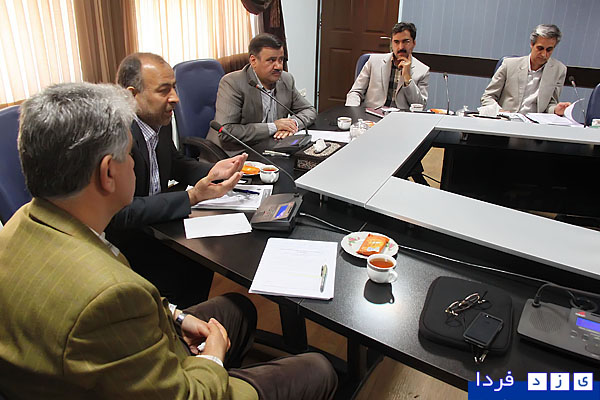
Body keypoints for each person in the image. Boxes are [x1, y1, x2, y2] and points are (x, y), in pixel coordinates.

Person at [0, 82, 338, 400]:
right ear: (108, 173)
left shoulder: (20, 224)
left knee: (239, 308)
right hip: (185, 386)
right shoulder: (107, 295)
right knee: (318, 369)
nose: (135, 162)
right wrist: (213, 359)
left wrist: (177, 317)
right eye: (130, 154)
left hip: (122, 358)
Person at [110, 52, 247, 307]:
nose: (175, 98)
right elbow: (120, 214)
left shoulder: (157, 120)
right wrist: (192, 196)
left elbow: (174, 162)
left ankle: (189, 318)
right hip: (127, 243)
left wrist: (212, 171)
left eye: (174, 87)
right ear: (132, 95)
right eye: (164, 90)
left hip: (158, 226)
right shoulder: (116, 137)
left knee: (206, 257)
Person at [207, 33, 317, 156]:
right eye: (271, 60)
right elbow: (226, 131)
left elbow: (309, 110)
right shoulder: (233, 83)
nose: (278, 66)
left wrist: (291, 124)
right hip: (235, 153)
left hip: (272, 148)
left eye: (281, 60)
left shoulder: (286, 79)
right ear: (253, 61)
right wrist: (274, 127)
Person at [481, 24, 570, 116]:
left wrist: (556, 110)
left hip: (535, 122)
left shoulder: (559, 70)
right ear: (532, 44)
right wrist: (499, 111)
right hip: (507, 118)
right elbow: (488, 97)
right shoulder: (509, 64)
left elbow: (550, 104)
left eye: (549, 50)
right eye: (540, 48)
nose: (544, 54)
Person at [345, 22, 430, 110]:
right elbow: (355, 92)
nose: (401, 47)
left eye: (406, 42)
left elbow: (421, 106)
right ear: (391, 43)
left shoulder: (423, 71)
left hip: (401, 117)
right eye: (396, 42)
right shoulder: (373, 61)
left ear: (413, 43)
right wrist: (353, 112)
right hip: (372, 114)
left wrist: (407, 78)